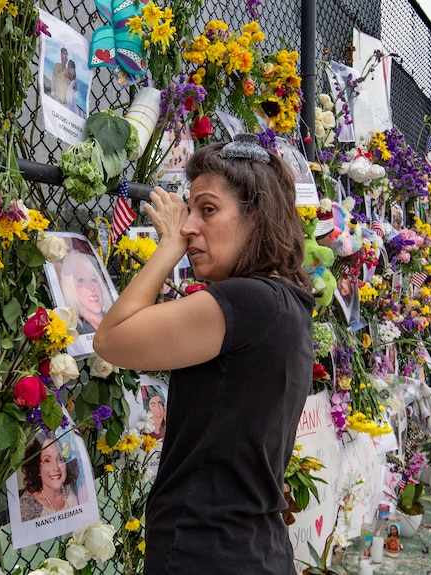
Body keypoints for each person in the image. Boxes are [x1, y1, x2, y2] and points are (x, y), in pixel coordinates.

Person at [93, 133, 314, 575]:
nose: (189, 225)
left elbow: (111, 338)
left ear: (257, 217)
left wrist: (169, 246)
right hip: (250, 548)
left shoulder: (250, 302)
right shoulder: (286, 303)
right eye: (189, 210)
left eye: (207, 210)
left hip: (207, 551)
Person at [19, 433, 80, 522]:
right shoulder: (27, 507)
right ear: (37, 466)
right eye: (47, 460)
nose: (56, 467)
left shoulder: (75, 488)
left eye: (60, 458)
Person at [58, 251, 112, 335]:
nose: (91, 288)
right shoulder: (72, 331)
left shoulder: (114, 318)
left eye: (94, 280)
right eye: (81, 280)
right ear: (70, 287)